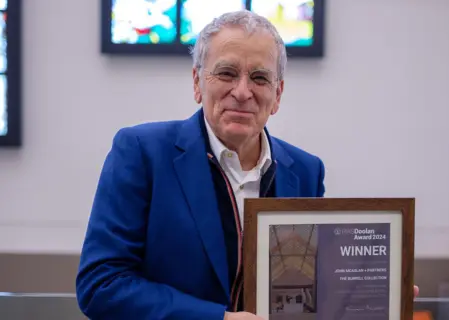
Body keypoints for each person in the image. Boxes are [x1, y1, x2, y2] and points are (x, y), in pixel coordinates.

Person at [76, 10, 418, 320]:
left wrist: (374, 296)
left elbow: (310, 289)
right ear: (197, 83)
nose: (242, 91)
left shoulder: (305, 171)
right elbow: (101, 286)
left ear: (278, 93)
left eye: (259, 78)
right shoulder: (141, 152)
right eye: (226, 73)